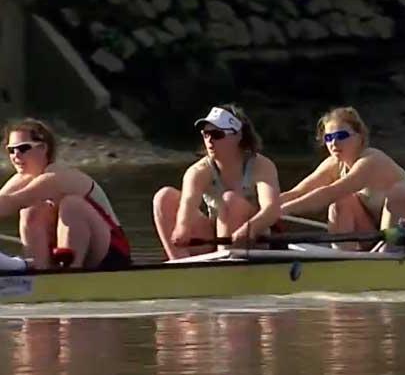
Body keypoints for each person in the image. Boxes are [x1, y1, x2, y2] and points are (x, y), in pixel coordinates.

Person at [280, 107, 405, 250]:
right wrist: (269, 209)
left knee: (398, 192)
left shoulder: (372, 160)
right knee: (341, 202)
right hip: (375, 234)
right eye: (328, 138)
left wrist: (284, 210)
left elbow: (330, 192)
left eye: (341, 136)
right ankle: (343, 257)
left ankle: (388, 253)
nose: (333, 143)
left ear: (360, 137)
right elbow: (297, 192)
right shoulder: (333, 164)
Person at [151, 105, 282, 260]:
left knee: (230, 199)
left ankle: (225, 265)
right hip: (215, 236)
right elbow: (188, 205)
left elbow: (271, 210)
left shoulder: (261, 166)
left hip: (252, 238)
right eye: (206, 134)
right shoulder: (199, 171)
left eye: (217, 134)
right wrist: (182, 228)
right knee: (164, 196)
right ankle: (180, 262)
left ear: (238, 135)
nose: (209, 140)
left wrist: (249, 228)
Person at [0, 118, 130, 269]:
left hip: (111, 253)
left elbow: (12, 203)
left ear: (43, 148)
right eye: (11, 150)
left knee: (72, 205)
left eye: (23, 148)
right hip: (66, 253)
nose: (16, 155)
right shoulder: (20, 179)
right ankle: (39, 271)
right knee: (30, 211)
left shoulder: (58, 176)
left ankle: (70, 271)